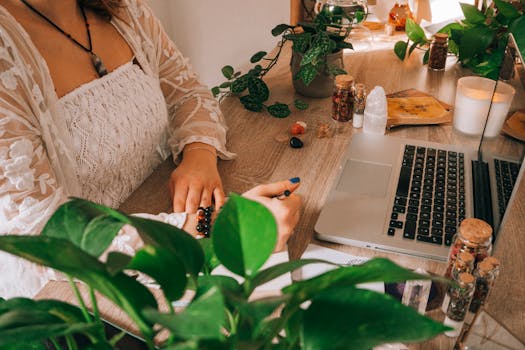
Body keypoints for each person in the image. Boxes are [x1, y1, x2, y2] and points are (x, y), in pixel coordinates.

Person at [0, 0, 301, 298]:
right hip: (81, 298)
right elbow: (42, 230)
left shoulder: (124, 9)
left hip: (164, 213)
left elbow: (187, 93)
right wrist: (221, 227)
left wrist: (199, 153)